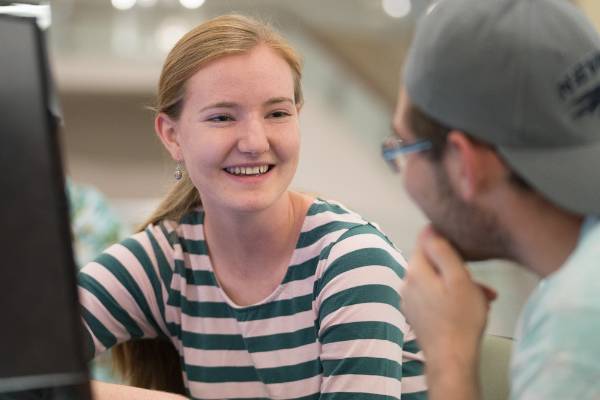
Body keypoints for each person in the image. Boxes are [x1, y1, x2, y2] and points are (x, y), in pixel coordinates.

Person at [78, 14, 427, 399]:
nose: (255, 141)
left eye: (277, 113)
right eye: (223, 117)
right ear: (172, 136)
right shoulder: (169, 259)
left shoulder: (354, 262)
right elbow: (19, 362)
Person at [384, 0, 600, 399]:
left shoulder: (577, 326)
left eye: (403, 148)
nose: (405, 175)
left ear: (466, 164)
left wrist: (448, 358)